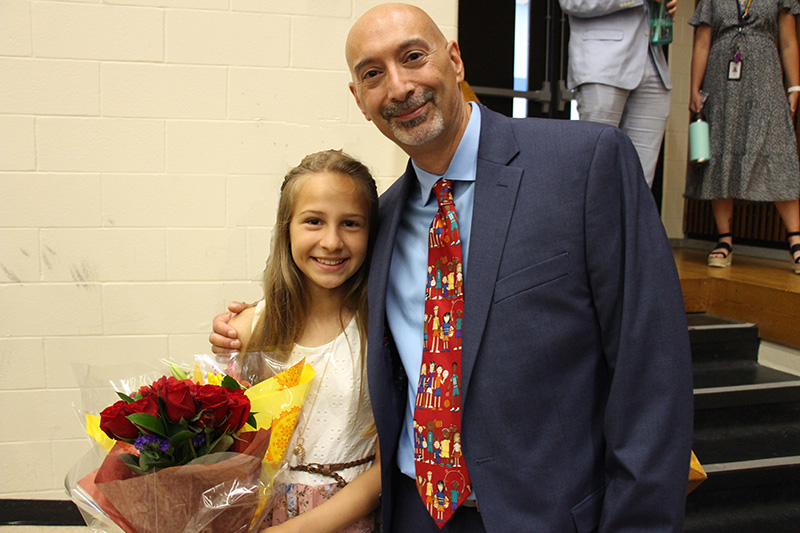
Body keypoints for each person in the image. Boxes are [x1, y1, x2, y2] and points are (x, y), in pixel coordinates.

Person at [213, 4, 694, 531]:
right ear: (360, 100)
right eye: (373, 74)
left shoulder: (584, 164)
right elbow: (330, 297)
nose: (398, 87)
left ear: (455, 60)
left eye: (413, 57)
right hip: (411, 512)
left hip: (549, 516)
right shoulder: (383, 219)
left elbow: (651, 370)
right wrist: (251, 323)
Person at [226, 150, 381, 532]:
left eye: (350, 223)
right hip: (259, 515)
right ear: (286, 228)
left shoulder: (382, 331)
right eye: (313, 221)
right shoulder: (249, 329)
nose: (331, 241)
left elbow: (388, 465)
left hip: (349, 517)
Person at [686, 0, 800, 272]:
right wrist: (694, 86)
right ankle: (724, 241)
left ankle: (796, 240)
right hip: (720, 79)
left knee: (777, 149)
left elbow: (788, 41)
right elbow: (703, 40)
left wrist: (794, 84)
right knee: (721, 149)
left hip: (766, 78)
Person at [559, 0, 678, 188]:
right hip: (603, 65)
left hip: (653, 63)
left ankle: (632, 219)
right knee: (592, 171)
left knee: (640, 183)